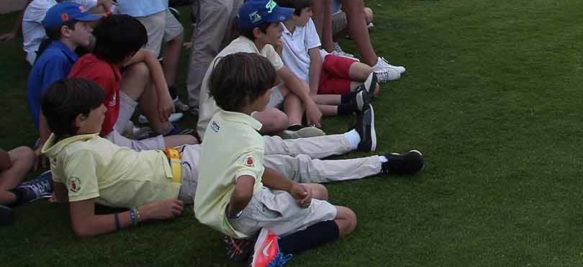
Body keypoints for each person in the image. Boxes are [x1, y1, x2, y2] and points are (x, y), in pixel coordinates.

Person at [40, 74, 416, 241]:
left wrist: (56, 195)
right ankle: (378, 162)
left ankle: (354, 139)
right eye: (97, 110)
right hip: (184, 175)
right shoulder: (79, 155)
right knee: (292, 165)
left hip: (184, 159)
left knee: (282, 152)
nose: (106, 113)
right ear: (78, 120)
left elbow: (62, 190)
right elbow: (84, 225)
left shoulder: (61, 144)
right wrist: (144, 213)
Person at [195, 54, 369, 264]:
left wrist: (290, 186)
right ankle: (270, 251)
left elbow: (251, 170)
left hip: (216, 208)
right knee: (347, 218)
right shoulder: (248, 139)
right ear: (252, 96)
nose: (272, 91)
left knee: (319, 192)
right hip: (247, 210)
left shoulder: (218, 121)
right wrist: (234, 215)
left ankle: (249, 234)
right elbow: (243, 191)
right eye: (268, 88)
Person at [196, 0, 326, 139]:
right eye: (276, 25)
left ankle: (294, 127)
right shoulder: (244, 57)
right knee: (278, 118)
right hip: (220, 122)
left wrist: (309, 102)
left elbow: (287, 77)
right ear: (258, 32)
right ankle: (280, 131)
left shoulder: (265, 46)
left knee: (299, 85)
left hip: (242, 107)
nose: (282, 29)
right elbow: (245, 103)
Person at [67, 14, 196, 151]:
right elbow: (95, 129)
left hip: (100, 129)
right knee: (191, 141)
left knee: (141, 70)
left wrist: (164, 94)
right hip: (101, 142)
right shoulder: (103, 76)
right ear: (128, 55)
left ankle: (161, 131)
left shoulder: (91, 59)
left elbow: (148, 55)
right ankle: (141, 140)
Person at [26, 1, 100, 135]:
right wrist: (47, 141)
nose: (90, 30)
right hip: (56, 131)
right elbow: (52, 103)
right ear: (66, 31)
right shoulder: (56, 59)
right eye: (84, 26)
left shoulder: (60, 53)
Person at [21, 0, 98, 65]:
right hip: (41, 52)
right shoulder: (43, 6)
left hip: (57, 43)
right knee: (84, 37)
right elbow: (71, 29)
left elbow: (96, 5)